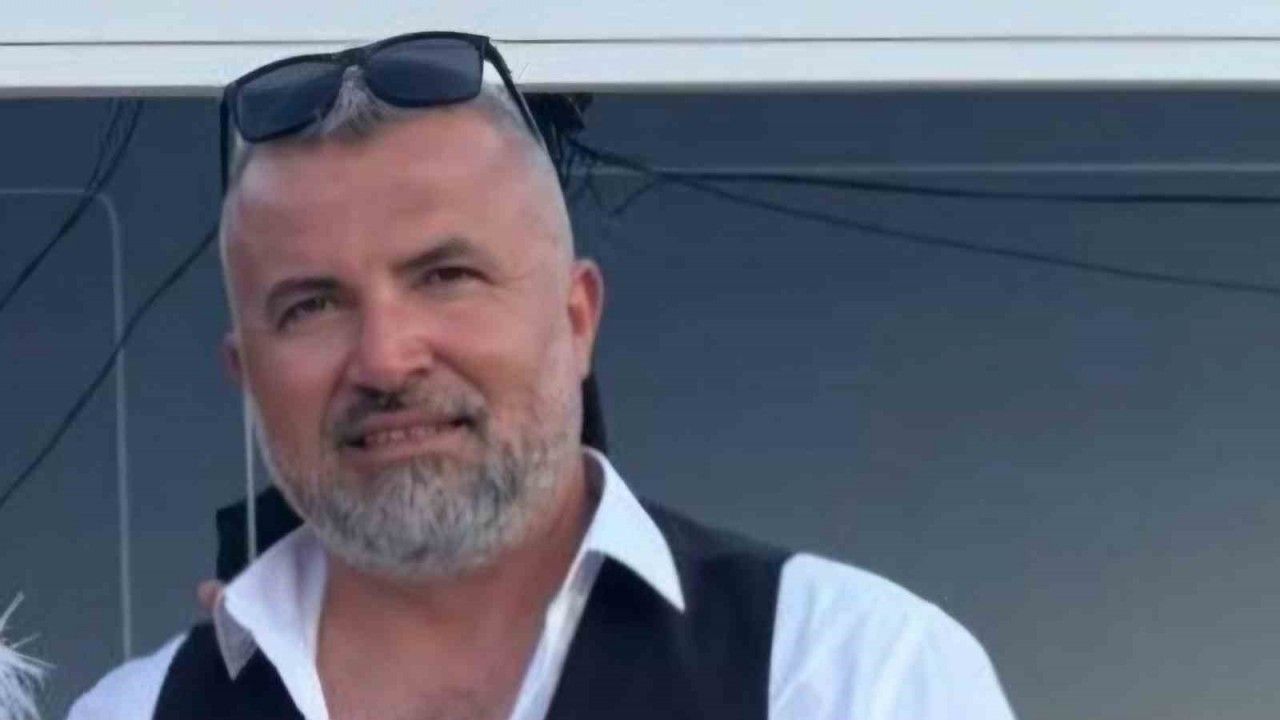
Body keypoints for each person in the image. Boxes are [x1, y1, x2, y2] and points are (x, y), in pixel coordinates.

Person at [68, 31, 1015, 720]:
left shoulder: (850, 675)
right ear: (246, 375)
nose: (386, 357)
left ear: (577, 318)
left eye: (446, 276)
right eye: (311, 305)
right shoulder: (134, 713)